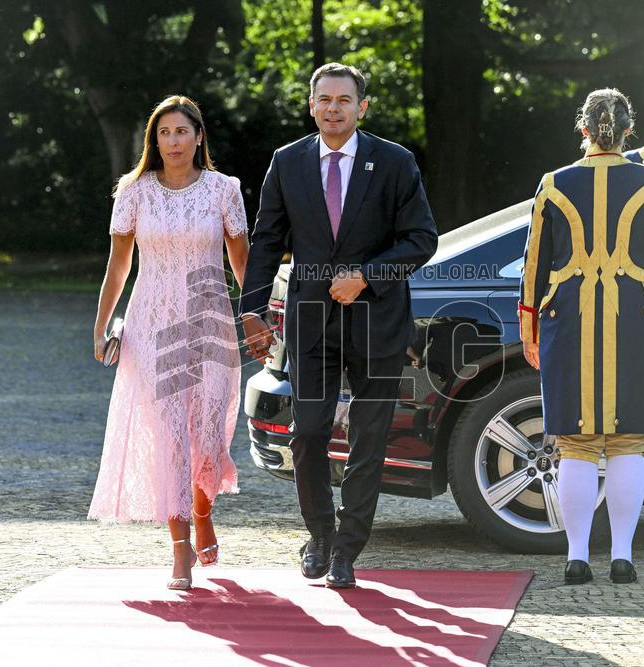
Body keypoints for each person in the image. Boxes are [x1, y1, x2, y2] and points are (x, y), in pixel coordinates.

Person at [239, 63, 438, 589]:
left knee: (369, 440)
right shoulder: (288, 162)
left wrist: (367, 278)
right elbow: (266, 241)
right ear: (311, 105)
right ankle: (320, 535)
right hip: (309, 321)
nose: (333, 108)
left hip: (378, 321)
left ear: (361, 107)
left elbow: (421, 239)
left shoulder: (394, 162)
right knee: (307, 433)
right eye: (324, 99)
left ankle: (349, 549)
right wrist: (252, 310)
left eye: (344, 100)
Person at [519, 88, 644, 585]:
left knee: (574, 442)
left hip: (567, 319)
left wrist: (530, 327)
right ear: (626, 132)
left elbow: (533, 267)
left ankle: (576, 556)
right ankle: (622, 556)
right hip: (636, 322)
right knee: (629, 440)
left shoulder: (553, 185)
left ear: (583, 130)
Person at [88, 95, 249, 591]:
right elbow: (120, 265)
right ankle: (179, 548)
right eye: (164, 133)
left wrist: (259, 318)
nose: (173, 141)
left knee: (206, 432)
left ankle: (202, 512)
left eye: (182, 131)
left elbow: (243, 264)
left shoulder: (225, 190)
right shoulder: (134, 192)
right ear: (153, 141)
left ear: (199, 137)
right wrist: (102, 323)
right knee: (170, 436)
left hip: (209, 322)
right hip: (151, 324)